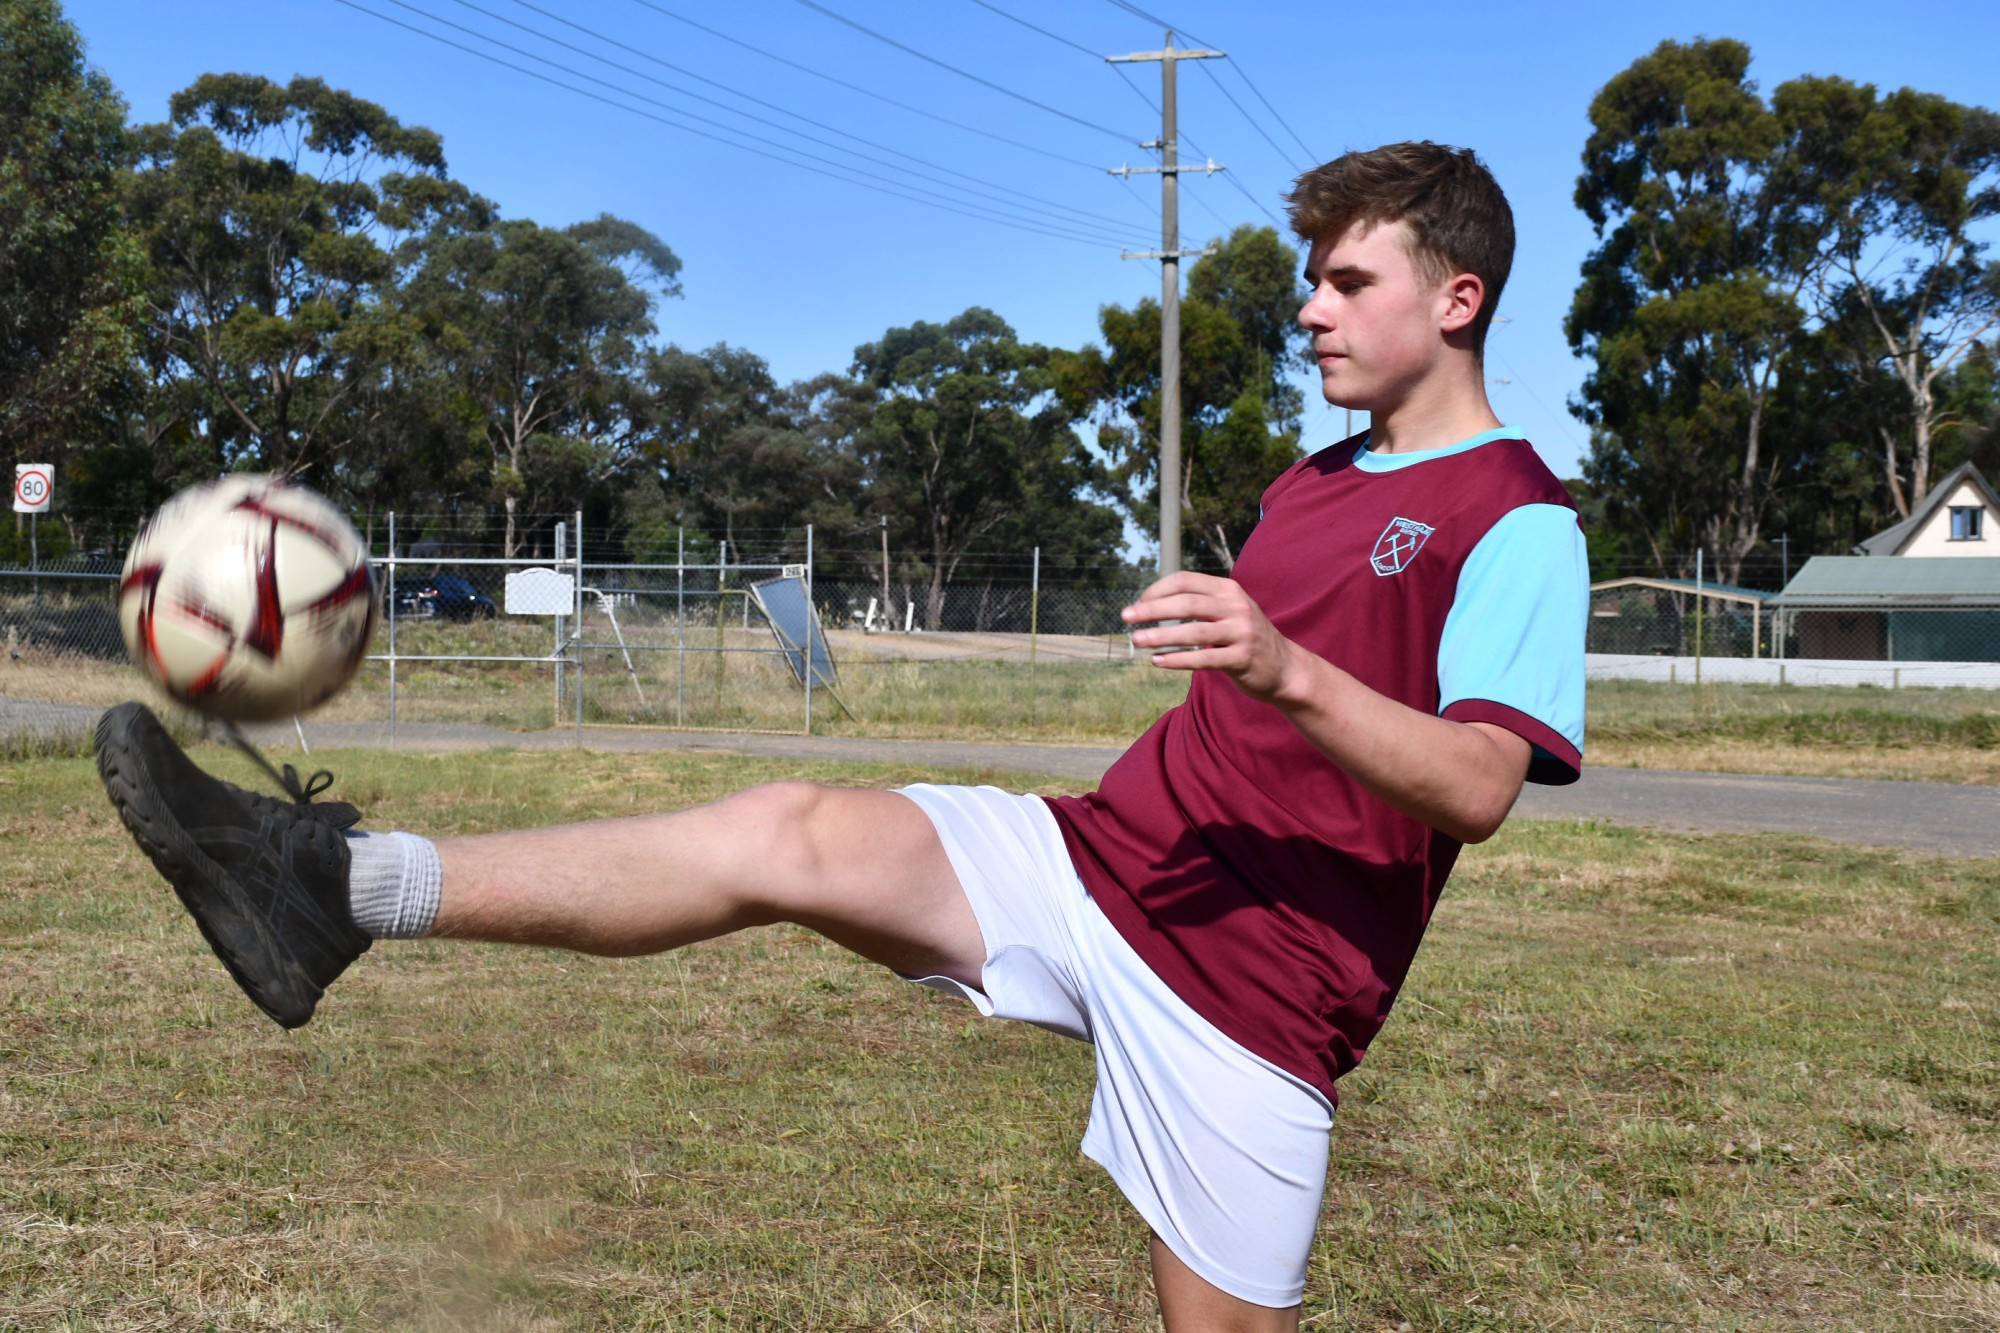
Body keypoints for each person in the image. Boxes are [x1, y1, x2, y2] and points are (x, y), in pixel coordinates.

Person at [94, 141, 1587, 1331]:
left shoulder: (1515, 521)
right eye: (1310, 282)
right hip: (1096, 862)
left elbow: (1478, 786)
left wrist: (1284, 667)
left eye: (1346, 280)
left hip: (1256, 1002)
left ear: (1456, 300)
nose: (1310, 308)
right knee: (786, 827)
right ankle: (328, 889)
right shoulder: (1309, 482)